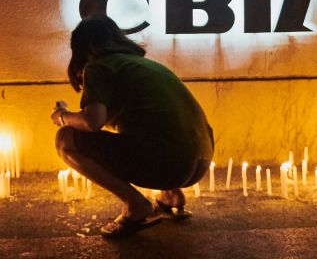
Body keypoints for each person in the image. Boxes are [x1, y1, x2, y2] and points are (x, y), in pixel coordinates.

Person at [50, 15, 213, 239]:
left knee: (65, 139)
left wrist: (62, 116)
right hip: (201, 160)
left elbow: (92, 122)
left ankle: (135, 205)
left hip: (169, 163)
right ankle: (172, 197)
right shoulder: (146, 65)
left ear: (82, 47)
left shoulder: (98, 66)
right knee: (151, 129)